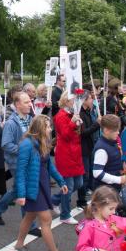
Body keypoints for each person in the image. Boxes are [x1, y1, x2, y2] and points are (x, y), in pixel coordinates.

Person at [13, 114, 73, 251]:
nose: (50, 129)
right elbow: (20, 171)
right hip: (33, 187)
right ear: (40, 128)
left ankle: (19, 245)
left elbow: (49, 165)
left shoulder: (43, 141)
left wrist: (61, 181)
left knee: (29, 216)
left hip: (42, 184)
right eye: (48, 126)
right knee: (46, 219)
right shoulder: (26, 144)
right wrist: (21, 194)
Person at [0, 92, 38, 234]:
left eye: (30, 101)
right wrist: (24, 150)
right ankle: (30, 225)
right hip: (17, 163)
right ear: (17, 105)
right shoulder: (11, 123)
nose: (30, 104)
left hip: (29, 161)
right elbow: (6, 144)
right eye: (26, 102)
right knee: (25, 191)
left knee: (17, 189)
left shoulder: (30, 119)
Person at [52, 92, 84, 224]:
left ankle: (54, 200)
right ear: (66, 101)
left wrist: (78, 124)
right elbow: (65, 135)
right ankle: (65, 214)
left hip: (75, 153)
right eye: (73, 100)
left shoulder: (71, 114)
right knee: (69, 186)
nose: (75, 103)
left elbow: (76, 134)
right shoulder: (60, 116)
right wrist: (72, 123)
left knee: (79, 183)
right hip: (65, 154)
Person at [91, 114, 126, 193]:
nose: (118, 132)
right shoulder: (102, 149)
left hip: (112, 189)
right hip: (104, 192)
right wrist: (119, 179)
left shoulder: (112, 142)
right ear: (106, 130)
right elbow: (97, 173)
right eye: (115, 130)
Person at [78, 90, 101, 207]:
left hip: (89, 146)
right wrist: (97, 124)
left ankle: (87, 191)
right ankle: (81, 199)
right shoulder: (81, 114)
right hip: (83, 148)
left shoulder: (88, 112)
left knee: (89, 171)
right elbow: (84, 132)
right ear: (85, 100)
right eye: (91, 98)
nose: (93, 101)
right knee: (85, 174)